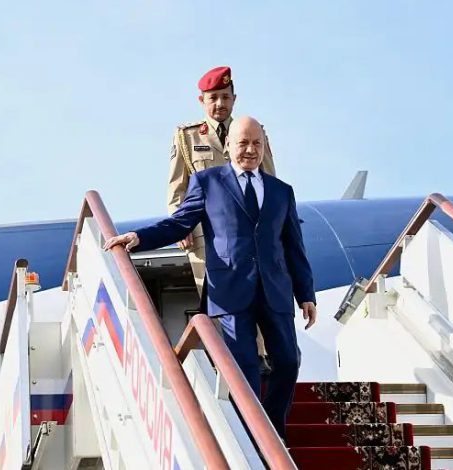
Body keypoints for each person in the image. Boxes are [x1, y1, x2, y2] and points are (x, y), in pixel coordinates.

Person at [105, 116, 317, 439]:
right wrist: (139, 237)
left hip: (275, 290)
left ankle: (272, 428)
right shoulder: (207, 182)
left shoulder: (281, 192)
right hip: (229, 291)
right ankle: (255, 440)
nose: (250, 150)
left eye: (257, 144)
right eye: (243, 143)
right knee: (244, 368)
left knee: (288, 362)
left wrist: (306, 294)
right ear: (228, 145)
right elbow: (179, 224)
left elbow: (293, 247)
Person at [169, 66, 274, 366]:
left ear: (234, 99)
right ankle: (225, 362)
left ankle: (259, 358)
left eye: (225, 97)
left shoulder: (253, 133)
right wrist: (180, 226)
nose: (220, 104)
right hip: (206, 234)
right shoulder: (187, 137)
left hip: (248, 232)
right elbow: (177, 189)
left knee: (255, 292)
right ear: (201, 100)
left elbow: (270, 182)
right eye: (213, 97)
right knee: (218, 299)